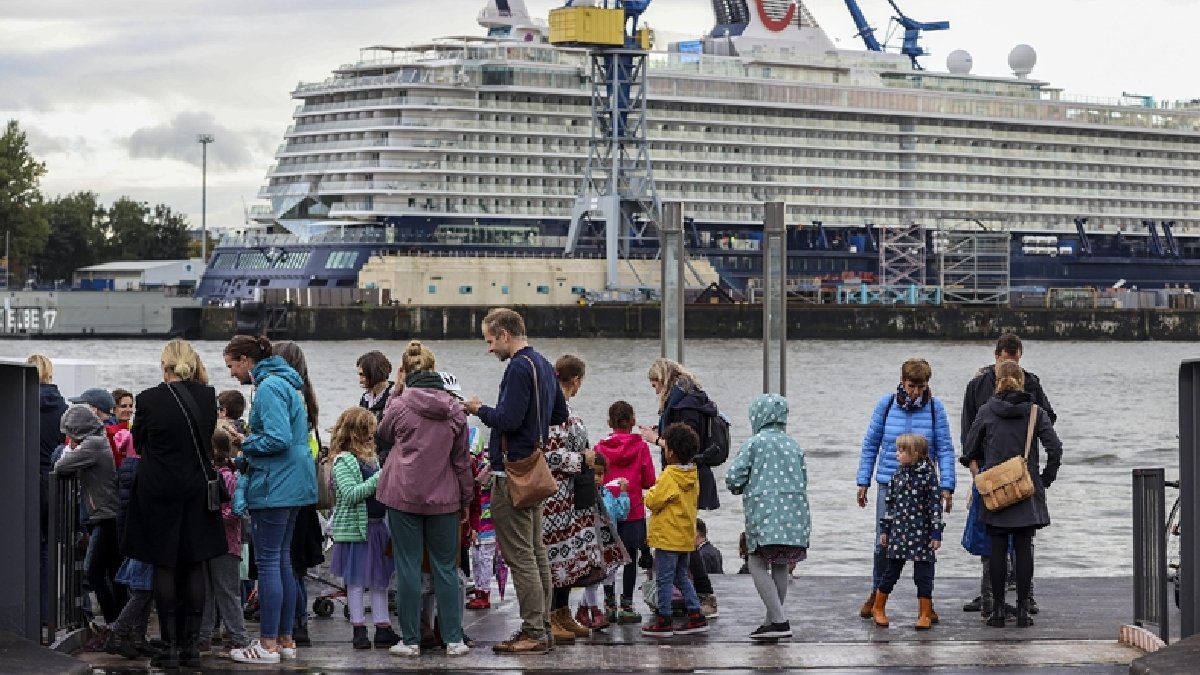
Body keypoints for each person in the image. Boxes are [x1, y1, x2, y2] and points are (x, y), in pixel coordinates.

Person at [464, 308, 568, 655]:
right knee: (536, 552)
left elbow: (507, 419)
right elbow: (559, 414)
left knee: (520, 556)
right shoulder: (544, 364)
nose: (489, 348)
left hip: (511, 474)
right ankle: (543, 626)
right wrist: (532, 427)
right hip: (534, 469)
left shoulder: (518, 367)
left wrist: (478, 409)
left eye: (490, 340)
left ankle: (533, 631)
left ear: (505, 335)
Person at [122, 339, 227, 669]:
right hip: (196, 489)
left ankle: (168, 646)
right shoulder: (207, 397)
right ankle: (191, 647)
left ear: (164, 365)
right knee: (194, 564)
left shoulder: (148, 399)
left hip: (158, 489)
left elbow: (139, 442)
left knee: (164, 564)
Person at [222, 335, 317, 665]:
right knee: (283, 561)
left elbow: (277, 438)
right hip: (294, 483)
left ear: (246, 360)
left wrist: (244, 442)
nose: (232, 373)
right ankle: (285, 639)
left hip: (275, 485)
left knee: (269, 562)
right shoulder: (288, 384)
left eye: (232, 365)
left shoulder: (268, 387)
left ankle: (267, 644)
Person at [377, 341, 473, 657]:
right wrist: (466, 499)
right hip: (445, 497)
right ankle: (454, 639)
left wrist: (396, 391)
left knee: (407, 566)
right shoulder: (455, 409)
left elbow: (384, 433)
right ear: (435, 370)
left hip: (403, 494)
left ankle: (411, 640)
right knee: (446, 567)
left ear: (404, 372)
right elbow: (461, 461)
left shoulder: (399, 405)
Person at [960, 333, 1056, 618]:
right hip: (1016, 477)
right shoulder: (981, 387)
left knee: (997, 543)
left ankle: (1000, 606)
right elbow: (1053, 439)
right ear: (997, 356)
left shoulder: (992, 402)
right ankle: (1012, 602)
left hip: (994, 477)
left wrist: (976, 465)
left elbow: (969, 439)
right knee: (1019, 543)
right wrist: (1044, 478)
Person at [855, 357, 956, 623]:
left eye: (921, 387)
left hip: (924, 485)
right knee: (883, 543)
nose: (916, 392)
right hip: (890, 483)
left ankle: (926, 603)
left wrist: (947, 485)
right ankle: (876, 593)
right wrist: (863, 481)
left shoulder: (935, 408)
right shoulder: (886, 404)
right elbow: (871, 444)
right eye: (912, 386)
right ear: (902, 382)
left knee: (927, 545)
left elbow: (945, 448)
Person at [539, 355, 622, 643]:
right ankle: (551, 615)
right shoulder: (552, 409)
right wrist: (581, 459)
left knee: (570, 556)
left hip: (573, 496)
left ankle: (563, 612)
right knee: (555, 556)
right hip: (555, 497)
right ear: (575, 380)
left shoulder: (564, 407)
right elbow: (547, 455)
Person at [638, 358, 721, 618]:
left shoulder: (685, 404)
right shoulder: (688, 398)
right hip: (690, 476)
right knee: (687, 535)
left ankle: (702, 595)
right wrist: (662, 432)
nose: (655, 391)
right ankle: (693, 597)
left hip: (683, 475)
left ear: (664, 381)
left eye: (655, 385)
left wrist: (656, 439)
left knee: (685, 540)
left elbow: (687, 444)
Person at [725, 394, 811, 640]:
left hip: (764, 514)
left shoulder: (754, 444)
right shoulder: (793, 445)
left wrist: (741, 486)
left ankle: (780, 621)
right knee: (780, 563)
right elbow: (803, 479)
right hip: (794, 514)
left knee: (756, 562)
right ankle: (771, 621)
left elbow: (733, 478)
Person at [328, 407, 400, 650]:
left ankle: (382, 626)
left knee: (380, 580)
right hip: (357, 530)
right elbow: (350, 495)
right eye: (369, 430)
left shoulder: (372, 459)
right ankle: (358, 628)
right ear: (357, 432)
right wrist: (379, 478)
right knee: (356, 580)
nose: (373, 434)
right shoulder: (343, 461)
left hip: (377, 527)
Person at [271, 340, 327, 650]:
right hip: (306, 487)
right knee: (297, 563)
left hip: (288, 486)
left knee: (286, 559)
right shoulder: (307, 396)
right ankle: (298, 621)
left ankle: (292, 623)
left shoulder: (284, 394)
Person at [54, 405, 126, 643]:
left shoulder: (93, 445)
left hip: (105, 516)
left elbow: (60, 465)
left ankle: (114, 623)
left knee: (93, 571)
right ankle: (122, 626)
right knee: (114, 573)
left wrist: (70, 449)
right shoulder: (100, 440)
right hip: (109, 514)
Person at [641, 422, 708, 637]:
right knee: (682, 576)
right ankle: (696, 614)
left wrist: (650, 492)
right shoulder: (693, 475)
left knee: (664, 578)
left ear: (671, 453)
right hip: (685, 536)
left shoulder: (669, 475)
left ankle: (664, 619)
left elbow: (653, 501)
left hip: (667, 537)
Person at [593, 399, 656, 624]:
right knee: (630, 558)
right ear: (633, 421)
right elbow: (649, 480)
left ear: (609, 422)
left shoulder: (600, 448)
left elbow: (595, 478)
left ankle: (609, 604)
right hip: (633, 512)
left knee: (609, 557)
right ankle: (627, 605)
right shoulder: (641, 447)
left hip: (607, 512)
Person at [871, 434, 943, 630]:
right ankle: (878, 607)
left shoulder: (929, 476)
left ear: (916, 453)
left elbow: (935, 506)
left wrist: (936, 533)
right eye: (898, 450)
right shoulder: (897, 475)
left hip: (923, 533)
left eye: (901, 451)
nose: (897, 454)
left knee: (923, 575)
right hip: (899, 533)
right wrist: (885, 530)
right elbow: (890, 505)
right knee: (891, 571)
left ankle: (925, 612)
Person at [198, 423, 250, 656]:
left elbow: (233, 512)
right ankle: (204, 635)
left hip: (226, 544)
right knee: (207, 591)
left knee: (227, 591)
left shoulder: (227, 477)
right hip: (211, 542)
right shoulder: (214, 475)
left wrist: (210, 518)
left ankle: (238, 636)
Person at [108, 429, 155, 659]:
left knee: (145, 589)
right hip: (144, 538)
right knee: (143, 590)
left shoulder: (128, 468)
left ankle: (137, 637)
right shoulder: (145, 471)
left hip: (136, 537)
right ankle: (119, 633)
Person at [29, 353, 67, 624]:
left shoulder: (21, 403)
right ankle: (45, 614)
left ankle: (23, 611)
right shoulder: (63, 408)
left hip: (26, 481)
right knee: (46, 549)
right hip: (52, 482)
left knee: (22, 546)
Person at [576, 454, 628, 631]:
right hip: (591, 543)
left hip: (607, 541)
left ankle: (583, 608)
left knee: (603, 576)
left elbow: (621, 513)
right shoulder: (583, 495)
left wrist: (623, 493)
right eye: (594, 474)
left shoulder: (607, 494)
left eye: (601, 474)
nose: (597, 478)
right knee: (593, 579)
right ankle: (595, 611)